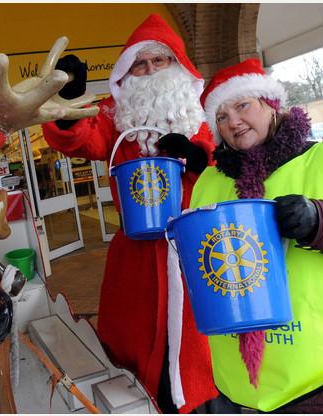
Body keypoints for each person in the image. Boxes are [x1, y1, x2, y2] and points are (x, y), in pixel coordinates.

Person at [186, 58, 323, 413]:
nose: (233, 121)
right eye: (220, 116)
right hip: (243, 385)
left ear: (270, 104)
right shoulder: (210, 182)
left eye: (242, 105)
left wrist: (319, 221)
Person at [42, 14, 218, 413]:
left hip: (198, 251)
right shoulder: (114, 115)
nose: (151, 71)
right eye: (140, 64)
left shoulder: (203, 113)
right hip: (136, 258)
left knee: (201, 355)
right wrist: (71, 103)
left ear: (178, 65)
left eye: (160, 61)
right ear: (127, 74)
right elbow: (80, 139)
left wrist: (195, 157)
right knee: (134, 354)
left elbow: (226, 168)